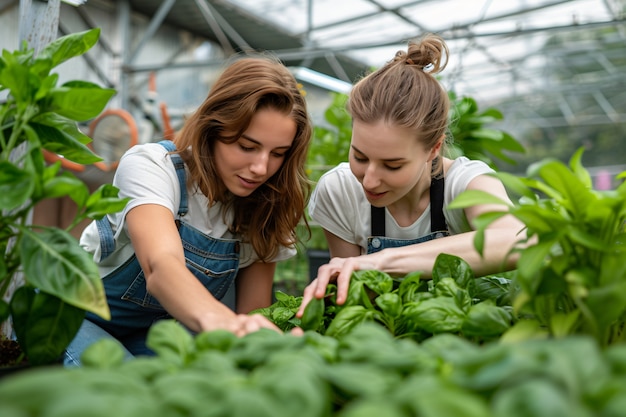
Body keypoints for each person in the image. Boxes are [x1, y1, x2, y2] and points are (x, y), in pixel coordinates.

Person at [65, 56, 312, 364]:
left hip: (157, 335)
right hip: (71, 319)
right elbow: (160, 265)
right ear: (212, 128)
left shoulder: (265, 207)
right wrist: (227, 324)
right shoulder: (153, 167)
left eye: (278, 153)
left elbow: (252, 312)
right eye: (247, 147)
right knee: (127, 390)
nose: (261, 168)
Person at [297, 33, 525, 315]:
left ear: (434, 149)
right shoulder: (339, 190)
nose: (369, 180)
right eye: (359, 157)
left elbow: (518, 241)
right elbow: (356, 302)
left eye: (392, 165)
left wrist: (382, 262)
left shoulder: (467, 184)